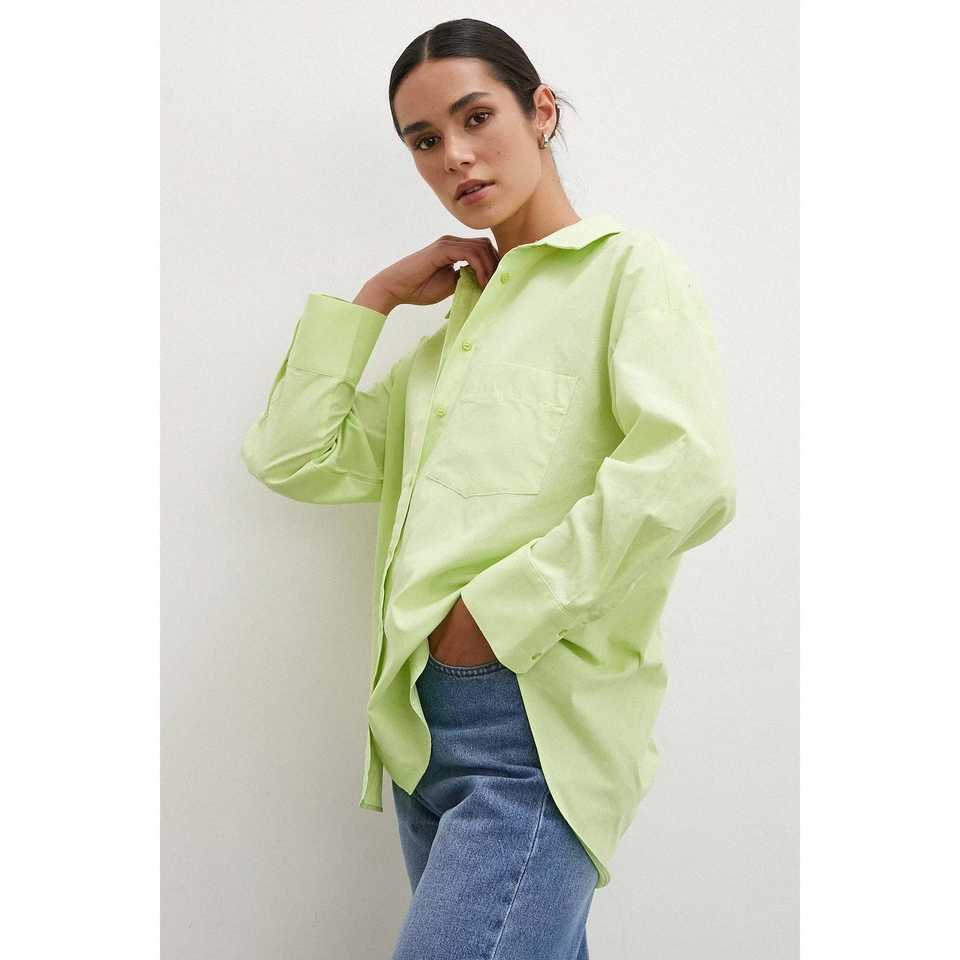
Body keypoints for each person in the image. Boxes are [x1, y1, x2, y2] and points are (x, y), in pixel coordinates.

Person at [241, 17, 737, 960]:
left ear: (540, 111)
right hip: (418, 736)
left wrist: (495, 616)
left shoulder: (627, 272)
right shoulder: (446, 348)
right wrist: (376, 299)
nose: (456, 156)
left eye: (477, 118)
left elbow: (687, 472)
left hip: (534, 722)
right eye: (425, 140)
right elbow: (294, 456)